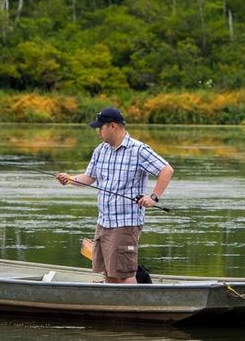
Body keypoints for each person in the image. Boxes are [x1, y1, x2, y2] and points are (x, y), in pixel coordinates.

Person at [56, 107, 174, 284]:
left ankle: (134, 309)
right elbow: (89, 177)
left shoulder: (138, 149)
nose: (98, 133)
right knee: (109, 273)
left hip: (126, 223)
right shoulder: (101, 150)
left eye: (100, 128)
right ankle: (115, 309)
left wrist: (153, 197)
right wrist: (70, 179)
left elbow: (166, 170)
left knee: (125, 275)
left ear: (113, 126)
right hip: (103, 222)